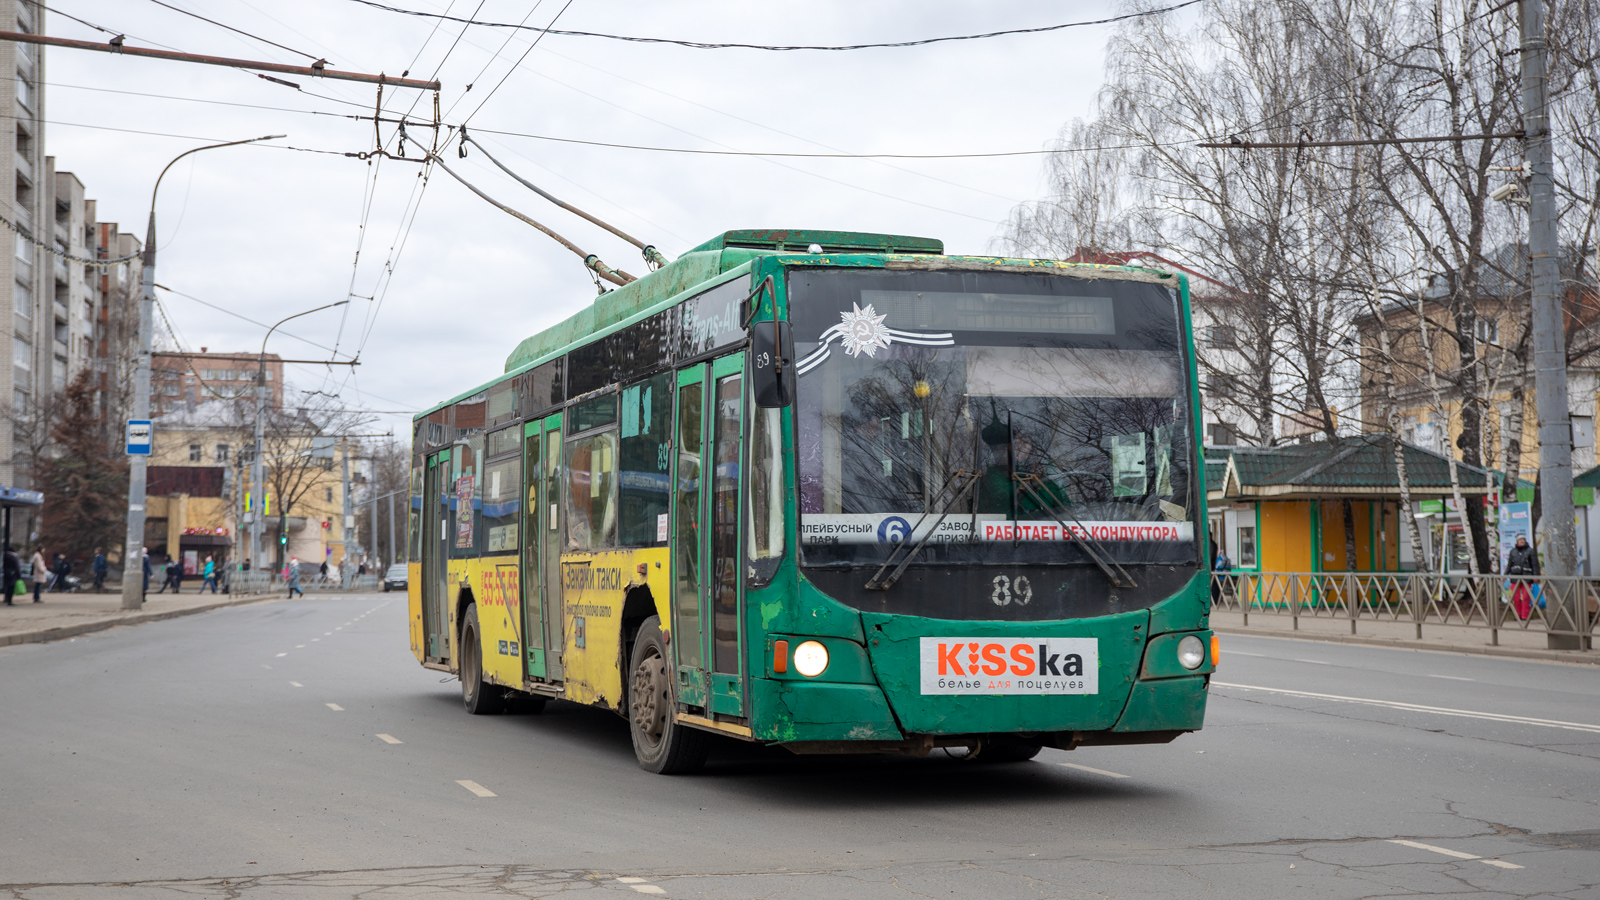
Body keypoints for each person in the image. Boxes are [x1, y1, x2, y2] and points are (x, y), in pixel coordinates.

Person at [1506, 535, 1539, 620]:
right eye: (1520, 539)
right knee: (1515, 597)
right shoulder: (1513, 551)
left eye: (1523, 539)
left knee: (1525, 597)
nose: (1522, 541)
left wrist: (1535, 575)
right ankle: (1518, 615)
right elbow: (1509, 564)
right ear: (1517, 541)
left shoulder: (1530, 551)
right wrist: (1505, 574)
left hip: (1526, 577)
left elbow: (1534, 565)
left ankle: (1525, 616)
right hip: (1515, 577)